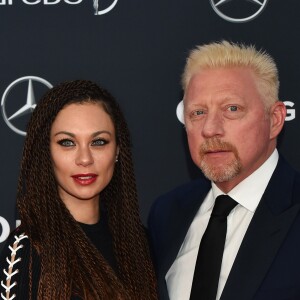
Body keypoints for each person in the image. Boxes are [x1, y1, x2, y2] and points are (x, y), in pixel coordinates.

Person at [148, 40, 300, 300]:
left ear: (275, 120)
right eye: (197, 113)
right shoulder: (166, 213)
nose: (210, 129)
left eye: (232, 109)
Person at [0, 80, 157, 299]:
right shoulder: (27, 249)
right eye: (67, 143)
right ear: (47, 152)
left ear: (118, 151)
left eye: (99, 142)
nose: (85, 159)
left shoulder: (140, 243)